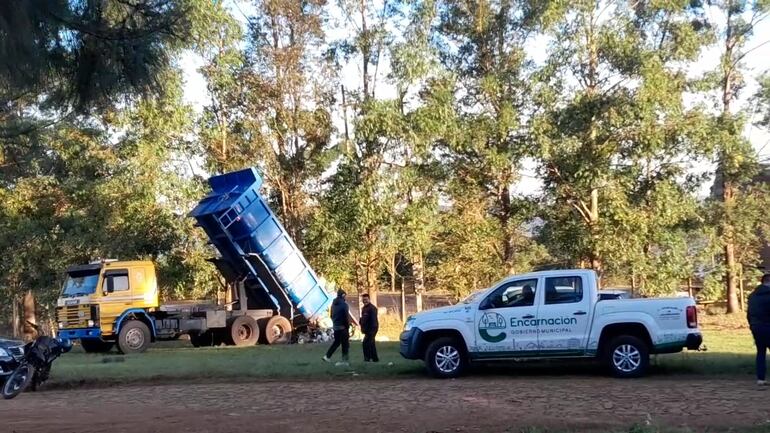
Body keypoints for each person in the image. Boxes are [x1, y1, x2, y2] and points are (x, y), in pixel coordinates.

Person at [747, 274, 770, 386]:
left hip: (756, 327)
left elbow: (749, 314)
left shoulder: (752, 296)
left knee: (761, 352)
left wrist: (751, 325)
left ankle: (761, 379)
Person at [323, 289, 350, 366]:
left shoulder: (333, 304)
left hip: (336, 327)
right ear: (343, 295)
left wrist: (335, 323)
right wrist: (347, 326)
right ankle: (345, 361)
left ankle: (327, 356)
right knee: (345, 344)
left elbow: (331, 316)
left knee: (337, 342)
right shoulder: (345, 305)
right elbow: (346, 317)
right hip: (343, 328)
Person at [360, 293, 379, 362]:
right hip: (367, 329)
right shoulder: (364, 309)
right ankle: (374, 358)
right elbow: (363, 319)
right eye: (363, 299)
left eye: (366, 299)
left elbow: (373, 320)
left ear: (369, 299)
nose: (365, 301)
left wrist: (372, 330)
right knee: (370, 343)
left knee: (367, 343)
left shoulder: (372, 308)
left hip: (372, 328)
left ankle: (368, 358)